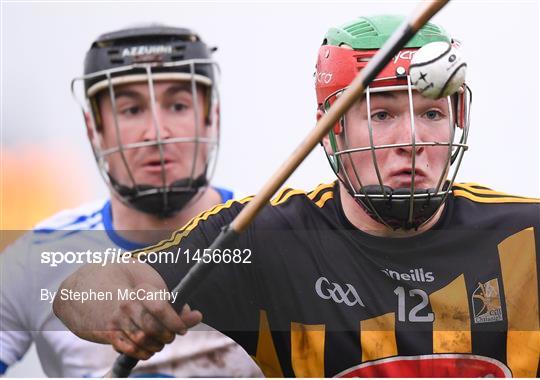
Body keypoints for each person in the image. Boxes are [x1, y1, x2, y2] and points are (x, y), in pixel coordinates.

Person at [54, 15, 540, 378]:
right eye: (381, 114)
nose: (411, 138)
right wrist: (116, 305)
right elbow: (82, 290)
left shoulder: (525, 233)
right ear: (331, 132)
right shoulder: (268, 236)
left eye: (432, 115)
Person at [0, 25, 262, 377]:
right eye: (131, 110)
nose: (156, 132)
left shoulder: (275, 236)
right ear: (94, 128)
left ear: (210, 118)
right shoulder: (34, 258)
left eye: (178, 105)